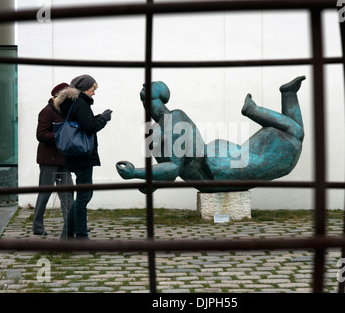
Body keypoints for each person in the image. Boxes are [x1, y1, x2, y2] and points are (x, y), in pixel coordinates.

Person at [117, 76, 305, 192]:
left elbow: (167, 171)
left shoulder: (155, 130)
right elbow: (172, 169)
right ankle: (255, 108)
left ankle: (286, 94)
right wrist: (136, 173)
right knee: (295, 133)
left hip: (218, 170)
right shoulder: (173, 120)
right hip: (218, 172)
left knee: (291, 132)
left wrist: (145, 178)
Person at [54, 74, 112, 239]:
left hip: (74, 155)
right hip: (82, 155)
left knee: (84, 194)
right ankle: (80, 235)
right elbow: (89, 127)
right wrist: (103, 118)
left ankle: (67, 235)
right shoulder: (80, 103)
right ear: (85, 88)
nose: (94, 93)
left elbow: (82, 123)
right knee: (84, 195)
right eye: (93, 89)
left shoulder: (71, 103)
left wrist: (97, 118)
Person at [32, 83, 74, 236]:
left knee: (68, 193)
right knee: (45, 193)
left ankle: (71, 225)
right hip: (48, 160)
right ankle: (37, 226)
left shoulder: (67, 111)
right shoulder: (46, 112)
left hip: (64, 159)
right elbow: (41, 135)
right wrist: (60, 136)